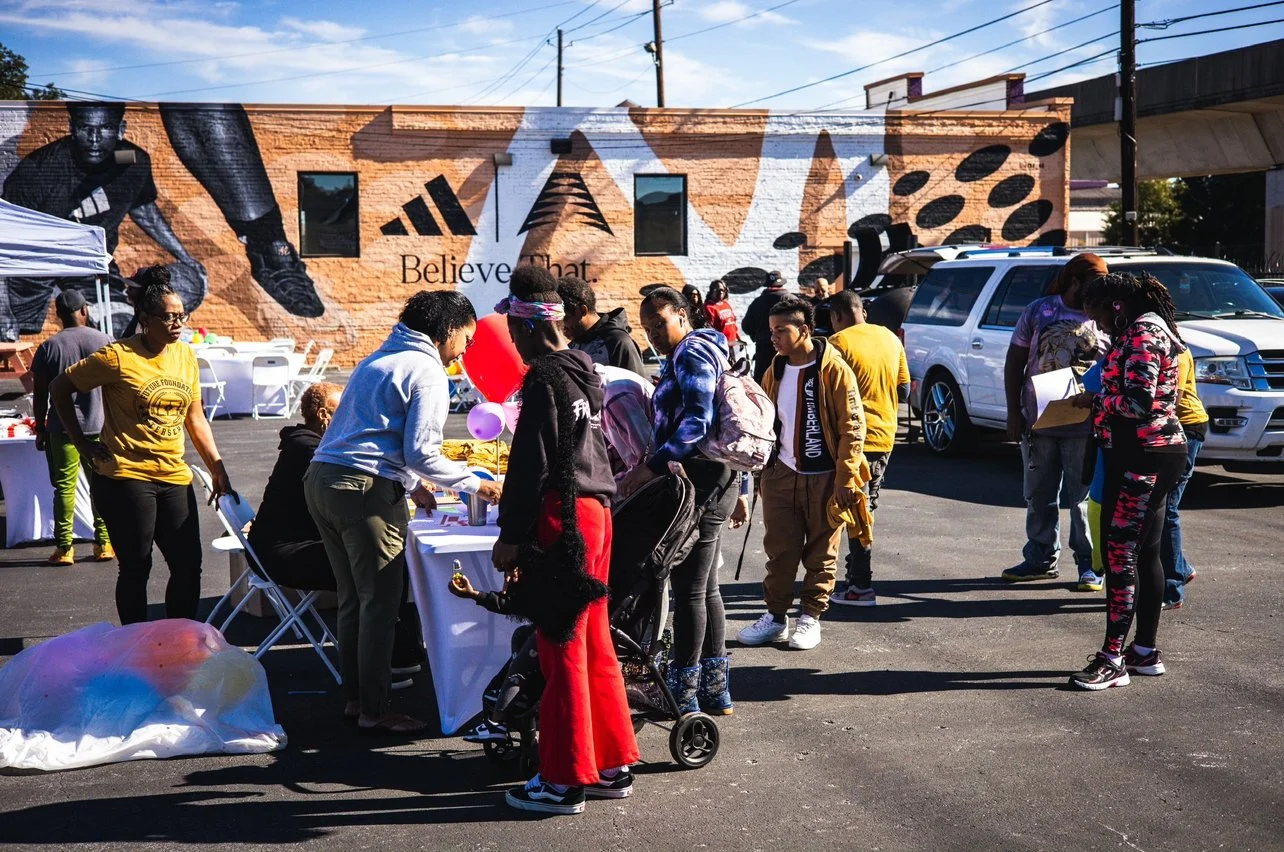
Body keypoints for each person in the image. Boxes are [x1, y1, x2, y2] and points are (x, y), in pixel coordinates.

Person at [305, 291, 502, 737]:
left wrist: (413, 486)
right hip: (363, 490)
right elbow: (421, 451)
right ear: (448, 331)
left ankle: (356, 701)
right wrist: (478, 484)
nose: (465, 351)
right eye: (466, 340)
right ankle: (374, 710)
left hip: (323, 480)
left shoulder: (381, 358)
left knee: (354, 600)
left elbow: (379, 435)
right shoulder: (428, 370)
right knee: (379, 605)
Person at [490, 265, 638, 815]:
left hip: (564, 517)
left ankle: (563, 778)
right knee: (594, 639)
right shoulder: (584, 370)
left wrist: (511, 534)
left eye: (512, 329)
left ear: (527, 327)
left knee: (560, 647)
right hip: (598, 511)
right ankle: (611, 763)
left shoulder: (545, 377)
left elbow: (532, 465)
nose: (511, 339)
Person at [49, 267, 233, 624]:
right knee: (137, 566)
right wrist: (83, 446)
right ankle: (135, 647)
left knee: (188, 566)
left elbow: (195, 417)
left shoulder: (185, 356)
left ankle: (180, 642)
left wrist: (217, 466)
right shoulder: (118, 356)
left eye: (182, 315)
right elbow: (59, 388)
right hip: (126, 476)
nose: (178, 323)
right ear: (146, 319)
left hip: (173, 475)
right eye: (169, 317)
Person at [620, 286, 738, 715]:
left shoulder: (691, 352)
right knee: (704, 586)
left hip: (702, 480)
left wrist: (653, 465)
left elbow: (698, 420)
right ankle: (714, 689)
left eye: (660, 322)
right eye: (647, 327)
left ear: (683, 316)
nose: (652, 333)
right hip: (710, 478)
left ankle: (684, 692)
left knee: (689, 587)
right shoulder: (690, 352)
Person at [1068, 272, 1188, 690]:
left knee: (1119, 556)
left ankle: (1112, 659)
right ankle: (1144, 652)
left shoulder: (1141, 335)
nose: (1098, 326)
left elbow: (1138, 402)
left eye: (1099, 317)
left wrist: (1094, 399)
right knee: (1146, 552)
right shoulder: (1147, 329)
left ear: (1116, 306)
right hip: (1151, 451)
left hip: (1142, 453)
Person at [2, 102, 206, 338]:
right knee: (11, 328)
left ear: (121, 129)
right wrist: (2, 307)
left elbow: (143, 210)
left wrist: (185, 256)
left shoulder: (129, 161)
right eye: (85, 128)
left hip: (89, 261)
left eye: (105, 128)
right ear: (71, 127)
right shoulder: (38, 169)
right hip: (34, 262)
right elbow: (4, 239)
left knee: (118, 325)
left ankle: (111, 371)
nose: (94, 138)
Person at [736, 297, 865, 651]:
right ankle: (776, 618)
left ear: (804, 330)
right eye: (771, 330)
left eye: (781, 330)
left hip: (825, 477)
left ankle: (810, 618)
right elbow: (765, 421)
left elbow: (853, 427)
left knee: (822, 554)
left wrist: (844, 479)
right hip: (782, 475)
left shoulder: (833, 369)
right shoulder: (775, 368)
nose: (773, 337)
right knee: (780, 552)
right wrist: (763, 473)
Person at [1001, 253, 1108, 588]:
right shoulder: (1039, 310)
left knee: (1080, 500)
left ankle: (1089, 566)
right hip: (1038, 423)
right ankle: (1040, 559)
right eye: (1094, 285)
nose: (1098, 293)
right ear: (1075, 281)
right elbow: (1014, 361)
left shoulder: (1105, 318)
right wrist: (1014, 411)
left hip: (1084, 426)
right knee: (1038, 494)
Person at [826, 289, 909, 607]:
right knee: (862, 508)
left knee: (855, 511)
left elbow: (827, 396)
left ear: (837, 316)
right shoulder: (891, 338)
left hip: (852, 439)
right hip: (885, 435)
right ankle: (853, 581)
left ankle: (860, 585)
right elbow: (903, 390)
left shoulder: (837, 344)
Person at [30, 289, 113, 566]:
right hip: (100, 427)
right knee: (101, 485)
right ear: (85, 310)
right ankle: (104, 543)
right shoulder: (106, 342)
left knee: (64, 489)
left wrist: (40, 429)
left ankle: (64, 549)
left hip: (61, 429)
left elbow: (40, 394)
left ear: (58, 316)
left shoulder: (48, 347)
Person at [1161, 348, 1208, 610]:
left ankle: (1172, 588)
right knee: (1162, 509)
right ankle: (1180, 567)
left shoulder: (1175, 350)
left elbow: (1173, 399)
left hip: (1186, 429)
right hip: (1177, 430)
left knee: (1167, 509)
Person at [557, 276, 646, 376]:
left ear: (583, 310)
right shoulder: (572, 345)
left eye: (565, 318)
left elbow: (635, 388)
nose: (561, 326)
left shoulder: (618, 342)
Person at [742, 270, 790, 382]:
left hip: (762, 348)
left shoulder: (757, 302)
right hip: (785, 348)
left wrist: (757, 336)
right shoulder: (789, 300)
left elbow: (746, 325)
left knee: (762, 382)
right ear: (782, 284)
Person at [704, 279, 740, 346]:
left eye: (723, 290)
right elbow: (710, 330)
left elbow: (733, 323)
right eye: (718, 290)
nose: (721, 292)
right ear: (712, 291)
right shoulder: (708, 307)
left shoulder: (726, 304)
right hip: (720, 346)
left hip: (731, 344)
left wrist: (739, 338)